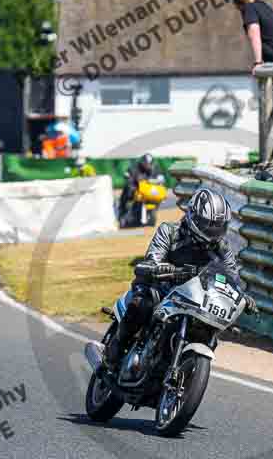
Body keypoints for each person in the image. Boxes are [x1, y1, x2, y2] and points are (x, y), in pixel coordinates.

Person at [104, 188, 258, 366]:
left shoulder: (221, 248)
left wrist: (242, 295)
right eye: (207, 224)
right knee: (142, 304)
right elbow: (153, 258)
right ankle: (115, 350)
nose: (212, 231)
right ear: (193, 216)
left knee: (209, 331)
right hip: (158, 286)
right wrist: (161, 268)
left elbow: (232, 277)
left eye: (218, 226)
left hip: (192, 295)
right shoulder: (169, 231)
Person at [118, 153, 161, 218]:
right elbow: (129, 174)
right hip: (136, 187)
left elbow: (159, 177)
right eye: (146, 163)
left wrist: (159, 179)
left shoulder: (155, 168)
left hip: (148, 189)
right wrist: (129, 178)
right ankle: (123, 209)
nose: (148, 165)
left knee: (158, 194)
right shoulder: (135, 167)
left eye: (149, 163)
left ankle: (153, 210)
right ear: (142, 161)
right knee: (128, 190)